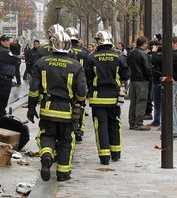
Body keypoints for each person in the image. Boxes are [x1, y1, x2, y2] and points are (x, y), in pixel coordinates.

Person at [28, 31, 87, 182]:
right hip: (67, 110)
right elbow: (81, 91)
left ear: (52, 45)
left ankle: (47, 156)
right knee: (67, 140)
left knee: (47, 135)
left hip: (47, 108)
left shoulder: (41, 63)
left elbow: (34, 89)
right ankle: (63, 173)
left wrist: (31, 107)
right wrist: (80, 104)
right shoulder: (75, 66)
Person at [84, 30, 130, 165]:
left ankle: (104, 157)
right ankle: (116, 153)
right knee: (115, 123)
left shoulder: (92, 58)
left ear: (98, 42)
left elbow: (87, 77)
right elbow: (126, 75)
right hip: (115, 97)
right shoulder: (118, 57)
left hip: (98, 97)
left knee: (101, 125)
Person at [65, 27, 89, 142]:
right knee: (81, 106)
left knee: (69, 107)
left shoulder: (66, 51)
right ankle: (79, 129)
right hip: (81, 82)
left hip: (68, 82)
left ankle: (70, 128)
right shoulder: (85, 51)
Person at [0, 35, 23, 118]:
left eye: (9, 40)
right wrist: (19, 57)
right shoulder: (3, 51)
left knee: (4, 98)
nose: (9, 42)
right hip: (4, 77)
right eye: (7, 40)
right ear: (2, 41)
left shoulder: (5, 49)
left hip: (5, 76)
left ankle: (1, 114)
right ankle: (0, 115)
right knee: (3, 98)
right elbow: (14, 59)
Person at [126, 36, 152, 130]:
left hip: (133, 80)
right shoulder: (143, 54)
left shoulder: (131, 53)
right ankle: (139, 122)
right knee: (141, 101)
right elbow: (146, 68)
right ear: (144, 44)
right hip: (142, 80)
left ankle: (132, 122)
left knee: (133, 102)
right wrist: (149, 76)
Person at [148, 40, 162, 127]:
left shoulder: (159, 55)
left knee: (161, 103)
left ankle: (159, 121)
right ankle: (157, 120)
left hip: (159, 80)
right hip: (157, 80)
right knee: (157, 102)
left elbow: (155, 61)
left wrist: (153, 52)